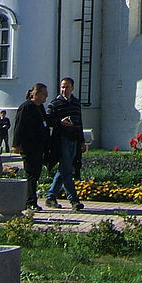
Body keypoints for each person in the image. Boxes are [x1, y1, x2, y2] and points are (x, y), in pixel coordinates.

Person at [44, 76, 87, 211]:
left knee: (64, 169)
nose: (64, 89)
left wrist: (82, 141)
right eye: (62, 86)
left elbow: (79, 122)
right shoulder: (54, 103)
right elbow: (48, 120)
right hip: (61, 139)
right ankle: (74, 200)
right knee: (67, 169)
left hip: (74, 139)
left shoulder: (76, 103)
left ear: (72, 88)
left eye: (67, 87)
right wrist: (60, 122)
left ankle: (50, 197)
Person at [11, 83, 49, 212]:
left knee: (36, 174)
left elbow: (45, 122)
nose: (46, 97)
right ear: (36, 94)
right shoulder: (26, 107)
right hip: (29, 146)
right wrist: (16, 144)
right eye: (44, 94)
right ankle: (30, 201)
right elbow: (19, 126)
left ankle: (31, 200)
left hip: (39, 146)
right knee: (31, 174)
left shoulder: (40, 107)